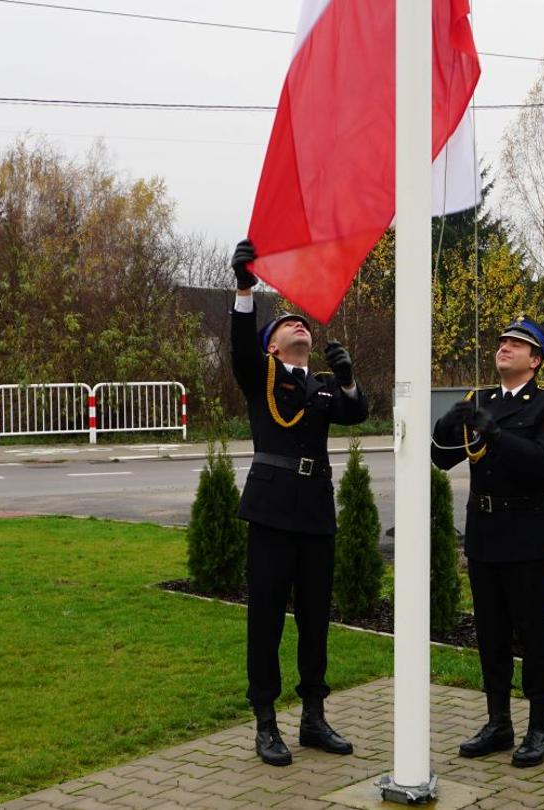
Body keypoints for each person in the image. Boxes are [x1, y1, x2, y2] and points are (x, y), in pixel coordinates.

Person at [229, 239, 369, 767]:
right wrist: (247, 289)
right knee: (265, 619)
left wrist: (350, 378)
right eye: (286, 324)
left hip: (314, 511)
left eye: (302, 323)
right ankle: (266, 721)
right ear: (273, 346)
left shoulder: (324, 386)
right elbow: (240, 349)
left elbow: (358, 413)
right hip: (270, 512)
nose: (298, 325)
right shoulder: (261, 376)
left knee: (315, 619)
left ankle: (314, 716)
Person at [431, 316, 544, 768]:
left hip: (528, 536)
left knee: (533, 635)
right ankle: (498, 722)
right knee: (490, 635)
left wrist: (494, 432)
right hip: (486, 533)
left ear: (535, 359)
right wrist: (447, 426)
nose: (504, 347)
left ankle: (539, 727)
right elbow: (441, 459)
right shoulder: (481, 399)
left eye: (517, 343)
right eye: (502, 340)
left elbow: (542, 462)